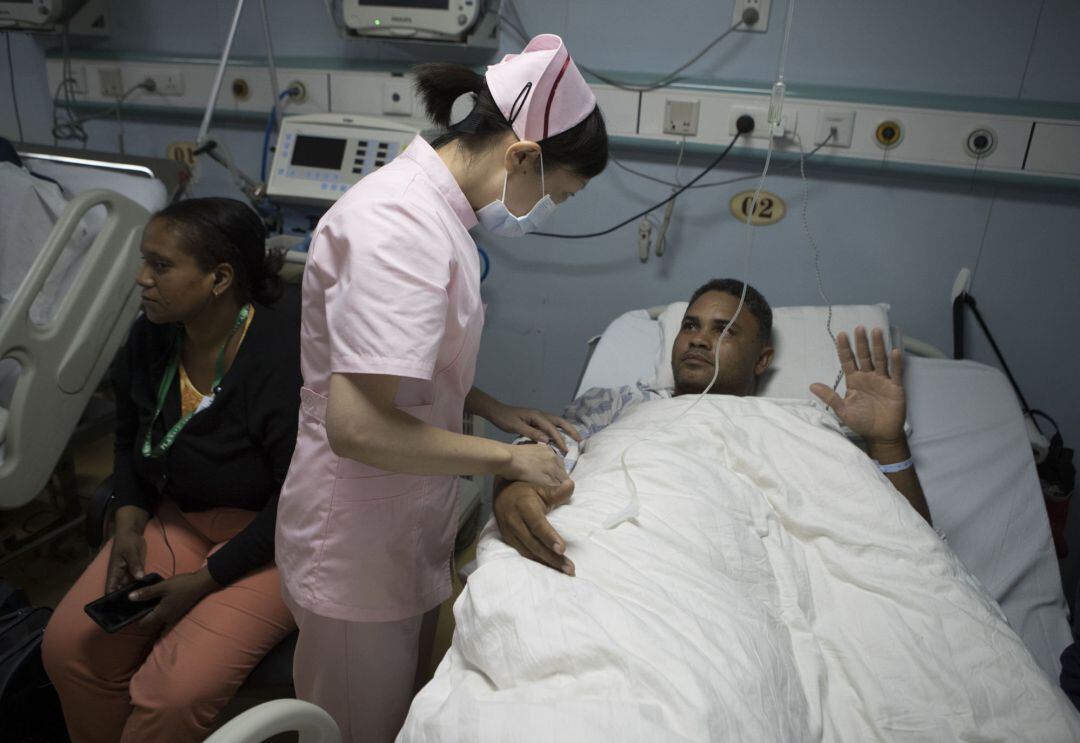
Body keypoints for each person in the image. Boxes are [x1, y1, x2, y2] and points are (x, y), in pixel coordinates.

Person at [274, 34, 608, 742]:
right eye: (559, 192)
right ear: (521, 156)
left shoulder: (437, 216)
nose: (551, 209)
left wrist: (487, 404)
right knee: (355, 727)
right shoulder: (399, 228)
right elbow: (358, 425)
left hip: (397, 524)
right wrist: (507, 458)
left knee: (398, 708)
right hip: (357, 542)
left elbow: (400, 363)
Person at [42, 198, 302, 743]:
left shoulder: (283, 350)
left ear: (219, 278)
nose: (141, 279)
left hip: (276, 542)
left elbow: (297, 499)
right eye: (144, 261)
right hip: (178, 516)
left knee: (170, 694)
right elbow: (129, 435)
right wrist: (130, 523)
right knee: (70, 651)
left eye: (160, 266)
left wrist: (204, 582)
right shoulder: (152, 336)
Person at [495, 278, 932, 576]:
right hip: (617, 554)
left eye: (724, 331)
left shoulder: (802, 423)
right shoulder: (617, 404)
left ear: (762, 361)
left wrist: (887, 441)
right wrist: (514, 490)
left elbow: (904, 539)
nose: (700, 339)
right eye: (691, 325)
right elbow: (537, 455)